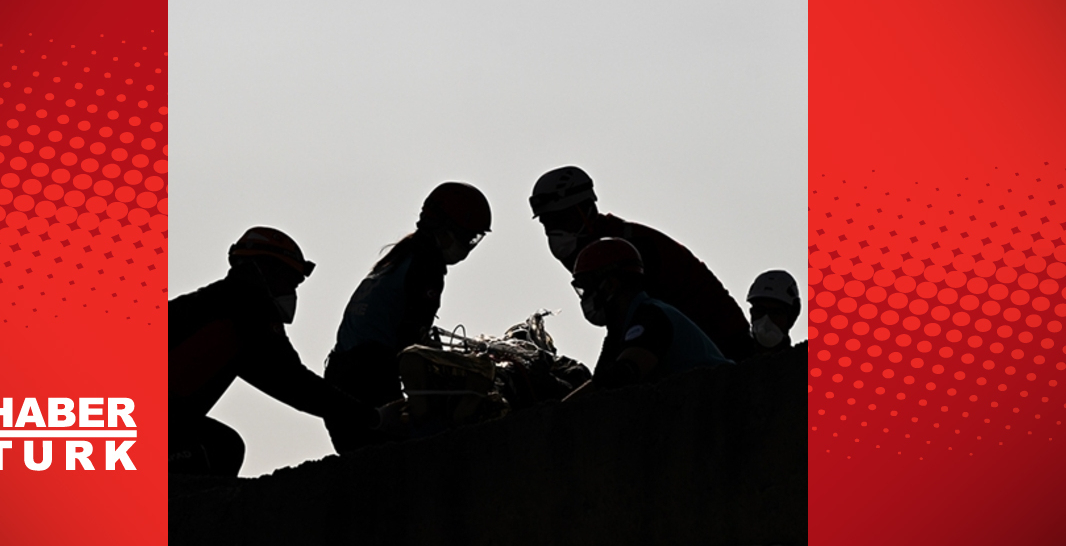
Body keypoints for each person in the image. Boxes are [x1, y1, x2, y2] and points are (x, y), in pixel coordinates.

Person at [169, 227, 380, 475]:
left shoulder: (208, 304)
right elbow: (293, 383)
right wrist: (373, 417)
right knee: (217, 450)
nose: (290, 293)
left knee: (219, 446)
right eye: (290, 282)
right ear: (265, 269)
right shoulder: (247, 311)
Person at [324, 182, 491, 453]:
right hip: (368, 381)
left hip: (340, 378)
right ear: (444, 227)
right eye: (467, 237)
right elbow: (412, 345)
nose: (469, 245)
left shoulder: (398, 259)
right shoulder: (427, 266)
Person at [530, 165, 757, 362]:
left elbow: (637, 321)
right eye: (547, 223)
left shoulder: (627, 249)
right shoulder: (589, 249)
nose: (554, 232)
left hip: (722, 342)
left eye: (561, 220)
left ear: (587, 211)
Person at [565, 238, 732, 399]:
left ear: (611, 284)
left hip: (723, 402)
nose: (584, 297)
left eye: (587, 287)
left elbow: (622, 375)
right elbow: (599, 383)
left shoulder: (651, 318)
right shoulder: (618, 332)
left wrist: (557, 416)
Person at [746, 270, 801, 353]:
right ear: (751, 312)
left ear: (791, 317)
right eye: (760, 311)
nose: (766, 320)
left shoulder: (801, 363)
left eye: (775, 313)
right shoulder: (730, 356)